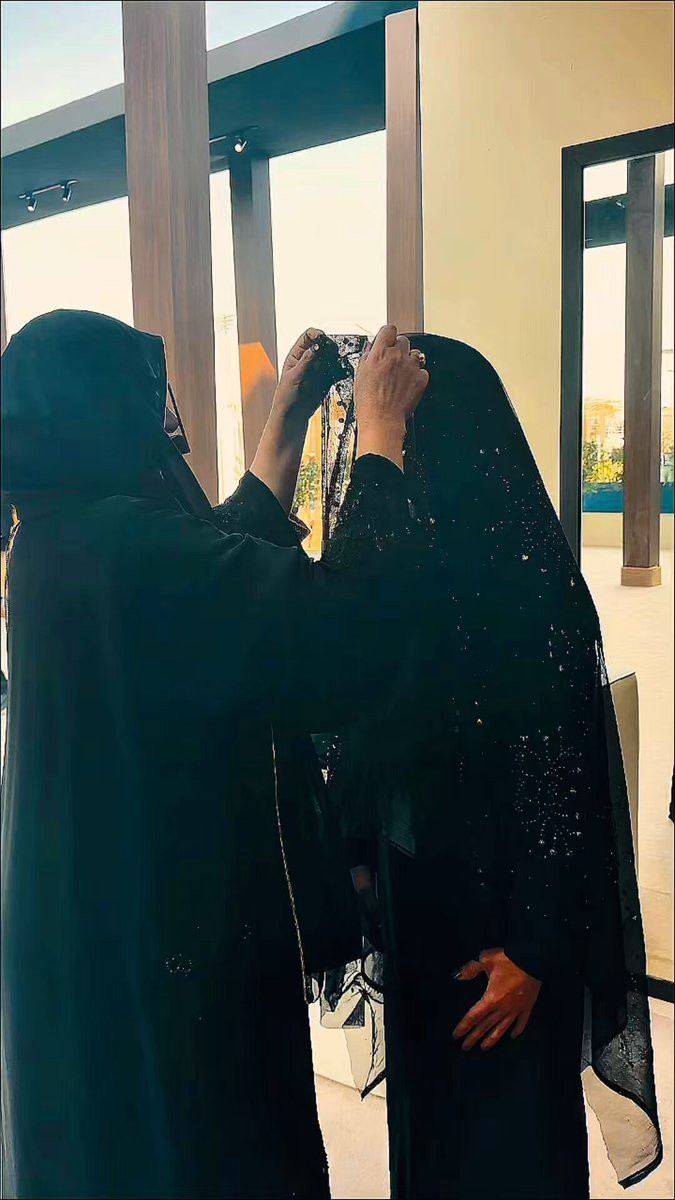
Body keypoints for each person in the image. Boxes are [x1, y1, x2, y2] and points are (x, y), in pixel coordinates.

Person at [0, 309, 428, 1200]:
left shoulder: (57, 532)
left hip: (106, 927)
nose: (164, 428)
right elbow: (341, 632)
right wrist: (381, 438)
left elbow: (221, 563)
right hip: (175, 947)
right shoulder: (128, 549)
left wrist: (285, 424)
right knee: (210, 1144)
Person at [320, 334, 661, 1200]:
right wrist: (358, 858)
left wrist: (535, 952)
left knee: (510, 1147)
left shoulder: (527, 582)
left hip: (503, 936)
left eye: (407, 437)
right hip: (420, 912)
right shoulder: (408, 576)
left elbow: (564, 781)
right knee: (431, 1141)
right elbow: (348, 689)